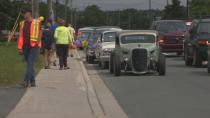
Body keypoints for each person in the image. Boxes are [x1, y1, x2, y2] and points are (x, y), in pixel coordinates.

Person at [18, 10, 42, 87]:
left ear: (29, 14)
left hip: (34, 46)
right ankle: (33, 81)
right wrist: (20, 48)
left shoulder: (37, 22)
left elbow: (40, 33)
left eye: (24, 13)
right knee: (29, 64)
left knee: (30, 63)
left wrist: (37, 43)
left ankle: (25, 81)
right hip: (25, 47)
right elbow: (21, 36)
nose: (23, 14)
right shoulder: (22, 23)